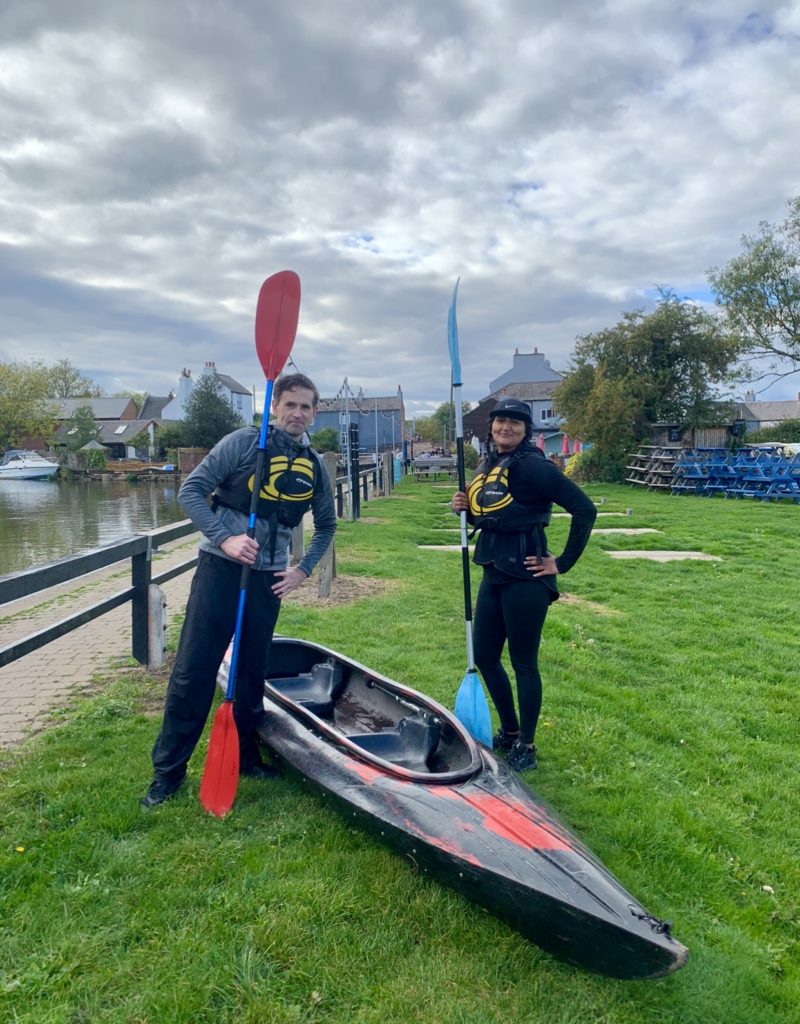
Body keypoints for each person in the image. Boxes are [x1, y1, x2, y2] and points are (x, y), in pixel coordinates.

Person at [142, 372, 337, 808]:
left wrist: (302, 571)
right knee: (194, 670)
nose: (298, 413)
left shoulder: (316, 465)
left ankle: (246, 755)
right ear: (275, 407)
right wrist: (225, 537)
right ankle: (167, 773)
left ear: (315, 412)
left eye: (306, 406)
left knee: (251, 672)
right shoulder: (243, 443)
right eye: (290, 404)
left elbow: (326, 525)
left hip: (268, 578)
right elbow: (191, 492)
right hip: (221, 570)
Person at [452, 398, 596, 771]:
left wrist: (560, 563)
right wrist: (463, 507)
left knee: (523, 663)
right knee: (484, 655)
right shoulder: (490, 463)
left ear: (526, 430)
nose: (506, 427)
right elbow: (491, 511)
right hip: (492, 569)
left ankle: (526, 747)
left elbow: (585, 509)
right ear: (491, 426)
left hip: (527, 576)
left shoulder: (534, 466)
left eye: (515, 423)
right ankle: (510, 731)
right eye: (500, 421)